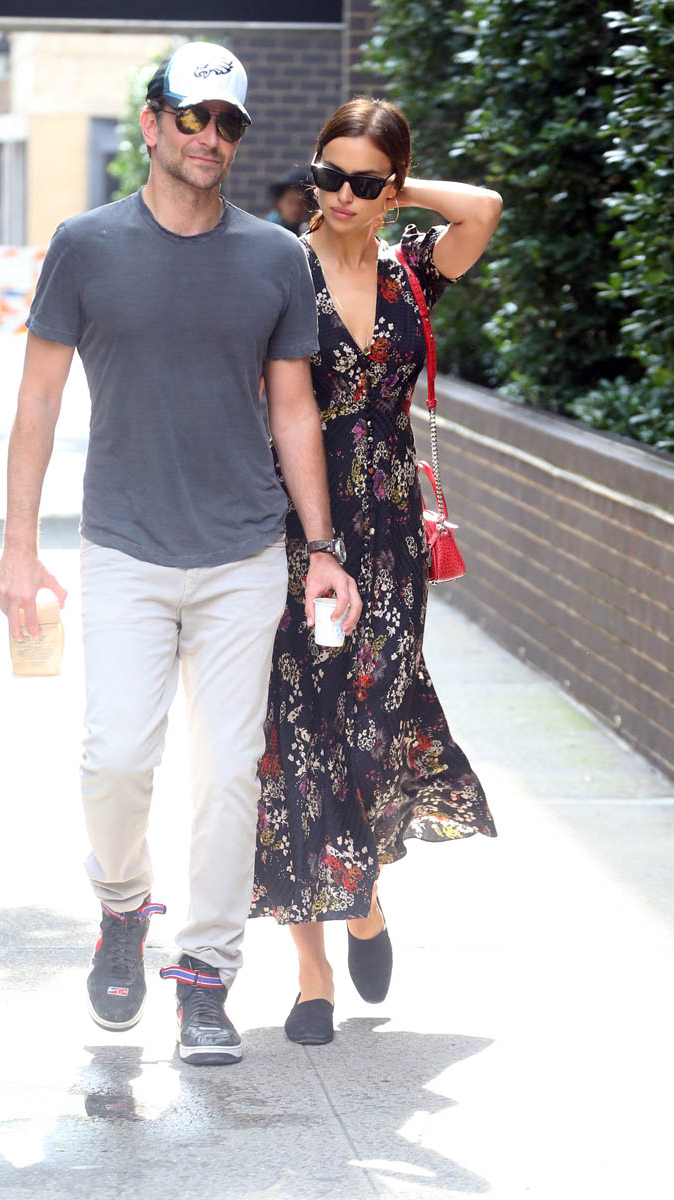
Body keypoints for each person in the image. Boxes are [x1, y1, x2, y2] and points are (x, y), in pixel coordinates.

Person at [0, 43, 362, 1068]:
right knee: (115, 757)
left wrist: (320, 548)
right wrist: (18, 549)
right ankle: (122, 907)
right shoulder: (85, 245)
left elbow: (293, 411)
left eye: (227, 123)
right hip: (125, 546)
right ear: (152, 123)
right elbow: (37, 401)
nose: (210, 137)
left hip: (243, 553)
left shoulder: (273, 257)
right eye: (192, 117)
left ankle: (205, 976)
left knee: (228, 774)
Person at [251, 98, 502, 1045]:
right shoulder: (278, 268)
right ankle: (310, 971)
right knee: (293, 738)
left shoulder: (410, 272)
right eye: (329, 176)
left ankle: (361, 897)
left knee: (371, 725)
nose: (343, 196)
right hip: (295, 532)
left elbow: (481, 208)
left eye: (365, 182)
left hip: (389, 539)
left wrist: (401, 191)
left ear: (389, 187)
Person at [265, 167, 313, 236]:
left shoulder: (307, 229)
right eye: (290, 201)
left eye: (301, 203)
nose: (296, 208)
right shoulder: (268, 230)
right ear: (279, 201)